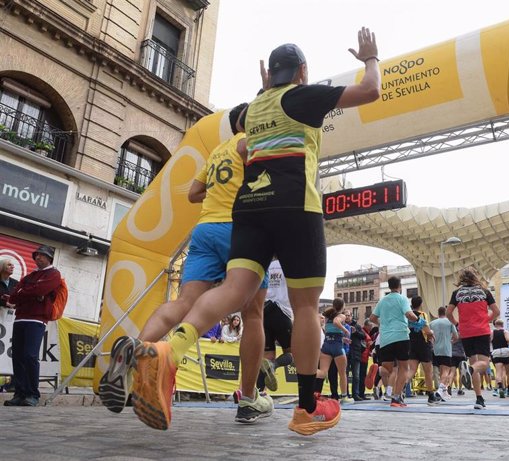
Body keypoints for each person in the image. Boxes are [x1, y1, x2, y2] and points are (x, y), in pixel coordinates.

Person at [127, 27, 380, 435]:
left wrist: (264, 92)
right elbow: (370, 90)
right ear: (302, 70)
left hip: (248, 210)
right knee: (304, 308)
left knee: (231, 291)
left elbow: (253, 125)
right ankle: (305, 409)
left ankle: (168, 352)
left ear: (270, 75)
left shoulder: (250, 110)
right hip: (296, 206)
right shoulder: (304, 95)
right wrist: (370, 57)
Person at [99, 103, 273, 426]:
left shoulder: (218, 151)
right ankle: (249, 398)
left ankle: (139, 348)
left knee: (184, 302)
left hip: (205, 230)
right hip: (240, 229)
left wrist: (220, 188)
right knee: (254, 312)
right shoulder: (251, 143)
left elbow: (194, 193)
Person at [4, 245, 61, 407]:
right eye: (37, 255)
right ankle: (19, 393)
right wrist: (29, 292)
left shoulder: (53, 274)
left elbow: (39, 290)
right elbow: (15, 295)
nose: (38, 258)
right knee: (18, 356)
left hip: (36, 319)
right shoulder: (31, 275)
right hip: (20, 318)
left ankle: (32, 394)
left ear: (49, 258)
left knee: (30, 356)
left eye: (42, 255)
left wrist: (25, 292)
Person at [447, 267, 499, 410]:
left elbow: (448, 313)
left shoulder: (457, 293)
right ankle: (469, 370)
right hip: (481, 330)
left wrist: (457, 324)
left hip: (466, 332)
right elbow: (496, 311)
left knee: (474, 362)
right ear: (476, 276)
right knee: (484, 363)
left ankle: (479, 398)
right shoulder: (484, 292)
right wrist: (486, 320)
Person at [370, 276, 418, 407]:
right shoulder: (402, 298)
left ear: (389, 286)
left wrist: (383, 324)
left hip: (385, 338)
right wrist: (418, 320)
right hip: (401, 336)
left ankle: (378, 370)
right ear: (400, 286)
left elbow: (372, 317)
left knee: (389, 369)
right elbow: (409, 315)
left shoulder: (382, 301)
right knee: (403, 368)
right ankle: (396, 397)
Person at [258, 258, 294, 394]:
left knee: (266, 356)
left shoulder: (266, 265)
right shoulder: (289, 264)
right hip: (282, 311)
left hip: (265, 310)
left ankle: (260, 393)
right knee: (292, 354)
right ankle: (274, 365)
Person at [314, 298, 352, 403]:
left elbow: (330, 331)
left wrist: (342, 338)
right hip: (337, 347)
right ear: (343, 306)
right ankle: (344, 397)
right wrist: (345, 330)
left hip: (326, 345)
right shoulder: (341, 316)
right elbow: (336, 322)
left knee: (322, 372)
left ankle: (306, 372)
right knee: (342, 373)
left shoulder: (327, 316)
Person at [406, 296, 438, 405]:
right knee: (428, 372)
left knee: (411, 370)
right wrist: (432, 333)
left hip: (411, 345)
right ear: (420, 304)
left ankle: (399, 390)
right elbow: (427, 331)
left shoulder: (408, 316)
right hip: (423, 346)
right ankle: (431, 396)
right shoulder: (422, 315)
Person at [430, 306, 458, 401]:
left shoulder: (432, 323)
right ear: (445, 313)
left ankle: (444, 393)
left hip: (435, 349)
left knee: (441, 371)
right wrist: (451, 341)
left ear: (438, 313)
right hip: (446, 349)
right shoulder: (450, 322)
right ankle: (440, 390)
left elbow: (429, 337)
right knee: (446, 371)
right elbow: (456, 336)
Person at [490, 319, 509, 398]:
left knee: (498, 372)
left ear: (495, 325)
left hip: (496, 352)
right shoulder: (505, 331)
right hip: (505, 352)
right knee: (508, 372)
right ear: (502, 325)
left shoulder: (492, 332)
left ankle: (500, 387)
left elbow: (489, 341)